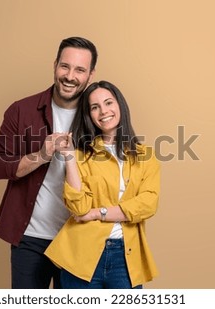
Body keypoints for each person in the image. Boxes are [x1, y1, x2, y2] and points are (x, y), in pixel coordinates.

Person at [0, 37, 97, 289]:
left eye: (80, 70)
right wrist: (41, 155)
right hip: (29, 239)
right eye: (65, 66)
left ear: (90, 75)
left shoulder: (98, 115)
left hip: (78, 238)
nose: (70, 76)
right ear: (54, 65)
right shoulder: (21, 110)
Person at [44, 80, 161, 289]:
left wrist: (98, 213)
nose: (103, 111)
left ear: (120, 106)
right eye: (94, 107)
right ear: (89, 115)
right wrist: (70, 157)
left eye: (108, 103)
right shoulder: (81, 155)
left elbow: (148, 203)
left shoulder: (146, 156)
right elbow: (79, 208)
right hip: (81, 256)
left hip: (126, 256)